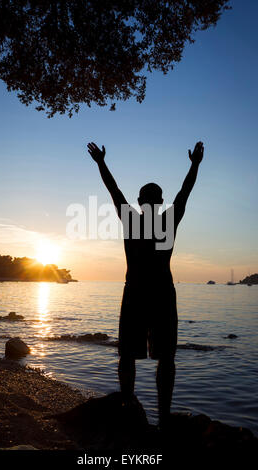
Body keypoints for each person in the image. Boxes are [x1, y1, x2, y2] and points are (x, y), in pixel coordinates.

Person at [87, 141, 204, 428]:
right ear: (159, 202)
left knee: (128, 354)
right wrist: (195, 165)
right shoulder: (168, 221)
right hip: (162, 292)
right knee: (166, 358)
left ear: (140, 202)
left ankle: (128, 405)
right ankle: (162, 416)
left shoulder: (131, 219)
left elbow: (114, 191)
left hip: (136, 292)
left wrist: (101, 162)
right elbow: (184, 193)